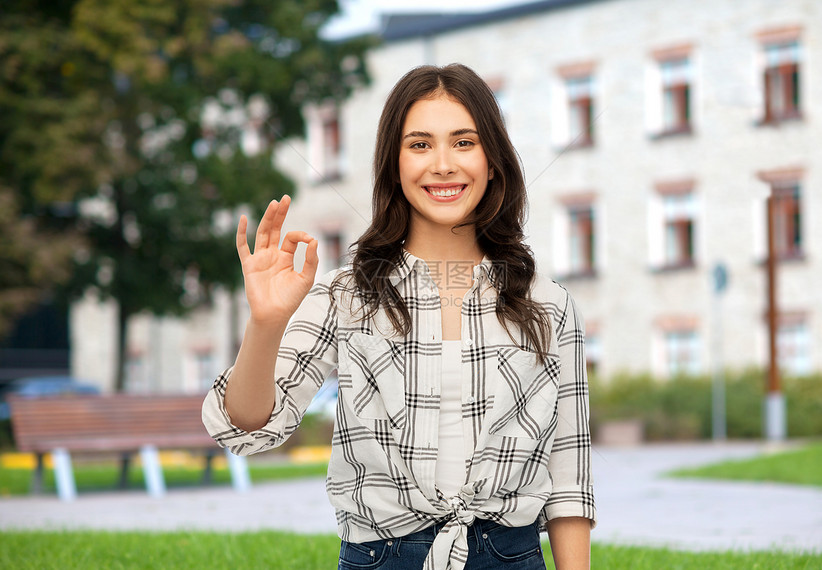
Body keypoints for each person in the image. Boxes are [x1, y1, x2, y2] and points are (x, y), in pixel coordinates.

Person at [202, 63, 595, 570]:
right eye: (420, 144)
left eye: (463, 142)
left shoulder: (549, 306)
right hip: (382, 557)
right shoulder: (345, 294)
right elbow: (248, 428)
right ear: (394, 164)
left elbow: (569, 481)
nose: (443, 164)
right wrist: (266, 322)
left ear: (493, 161)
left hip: (510, 557)